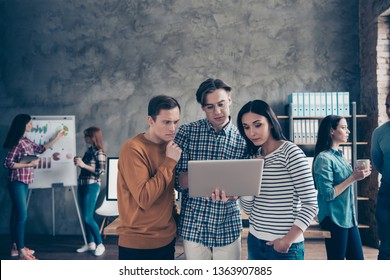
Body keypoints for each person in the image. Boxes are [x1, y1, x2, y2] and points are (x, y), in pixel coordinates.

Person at [174, 78, 247, 260]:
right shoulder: (187, 133)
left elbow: (246, 185)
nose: (217, 112)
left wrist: (236, 192)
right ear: (203, 108)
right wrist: (201, 181)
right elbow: (177, 181)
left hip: (228, 223)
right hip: (194, 224)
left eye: (221, 104)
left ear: (229, 100)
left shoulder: (244, 138)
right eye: (210, 107)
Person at [236, 100, 317, 260]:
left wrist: (286, 241)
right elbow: (249, 210)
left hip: (285, 246)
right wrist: (250, 175)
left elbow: (311, 204)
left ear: (271, 123)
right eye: (246, 127)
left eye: (257, 125)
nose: (251, 132)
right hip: (254, 241)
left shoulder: (290, 152)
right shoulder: (253, 157)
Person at [117, 95, 182, 260]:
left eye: (176, 122)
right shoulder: (133, 148)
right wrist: (170, 162)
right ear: (150, 121)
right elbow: (144, 198)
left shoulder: (169, 147)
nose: (173, 128)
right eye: (166, 122)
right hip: (137, 245)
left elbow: (167, 193)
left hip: (166, 241)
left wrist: (176, 223)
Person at [3, 114, 65, 260]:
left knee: (16, 215)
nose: (31, 126)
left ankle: (15, 247)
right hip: (17, 181)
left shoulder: (26, 141)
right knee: (22, 215)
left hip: (25, 181)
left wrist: (57, 137)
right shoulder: (18, 142)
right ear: (23, 125)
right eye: (29, 123)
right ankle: (21, 251)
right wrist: (29, 164)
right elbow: (8, 163)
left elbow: (41, 149)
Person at [313, 115, 371, 260]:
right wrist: (353, 178)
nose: (348, 131)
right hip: (334, 217)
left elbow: (347, 182)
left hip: (348, 217)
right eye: (343, 127)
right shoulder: (323, 158)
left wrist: (358, 175)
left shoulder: (340, 156)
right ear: (332, 131)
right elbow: (328, 194)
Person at [74, 127, 107, 256]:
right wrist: (80, 163)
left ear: (93, 137)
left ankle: (100, 244)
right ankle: (90, 243)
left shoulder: (99, 152)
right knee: (85, 216)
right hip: (82, 184)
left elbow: (101, 172)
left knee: (88, 217)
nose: (85, 138)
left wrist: (83, 165)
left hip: (91, 185)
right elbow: (87, 168)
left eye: (87, 136)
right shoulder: (89, 150)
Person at [371, 92, 390, 260]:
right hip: (387, 192)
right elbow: (377, 162)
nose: (389, 110)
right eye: (388, 106)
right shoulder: (379, 133)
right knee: (386, 245)